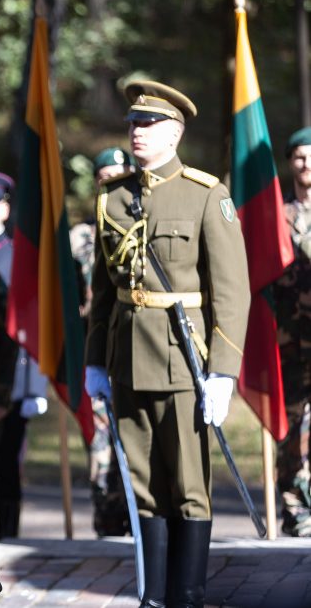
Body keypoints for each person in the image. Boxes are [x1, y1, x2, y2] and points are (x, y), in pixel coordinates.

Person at [85, 80, 249, 607]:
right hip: (127, 356)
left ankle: (188, 594)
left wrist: (223, 371)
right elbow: (102, 290)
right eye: (133, 122)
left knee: (188, 485)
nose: (137, 131)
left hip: (186, 359)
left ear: (175, 131)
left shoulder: (205, 193)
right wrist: (94, 362)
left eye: (149, 124)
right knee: (142, 483)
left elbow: (231, 290)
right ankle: (153, 597)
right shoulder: (112, 197)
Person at [0, 171, 47, 542]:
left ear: (5, 208)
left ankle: (7, 538)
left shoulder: (20, 258)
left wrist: (35, 386)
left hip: (11, 383)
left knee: (5, 467)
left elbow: (33, 326)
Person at [80, 148, 133, 538]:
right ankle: (108, 531)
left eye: (119, 174)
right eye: (104, 176)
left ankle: (143, 528)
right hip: (97, 358)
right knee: (101, 454)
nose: (111, 182)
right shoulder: (80, 238)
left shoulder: (140, 227)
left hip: (135, 353)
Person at [273, 127, 311, 537]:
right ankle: (296, 510)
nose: (306, 164)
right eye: (299, 156)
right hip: (290, 343)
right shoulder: (277, 218)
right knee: (292, 430)